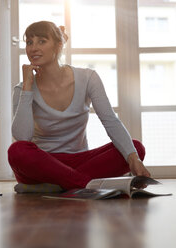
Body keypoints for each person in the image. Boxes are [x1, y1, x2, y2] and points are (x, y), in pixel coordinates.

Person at [8, 21, 150, 193]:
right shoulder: (22, 89)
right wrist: (27, 88)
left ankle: (56, 186)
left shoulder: (88, 78)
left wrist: (133, 158)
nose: (33, 48)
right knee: (17, 151)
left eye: (42, 41)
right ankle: (85, 184)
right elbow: (23, 138)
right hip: (43, 164)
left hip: (80, 160)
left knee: (135, 148)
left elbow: (110, 121)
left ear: (58, 45)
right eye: (29, 42)